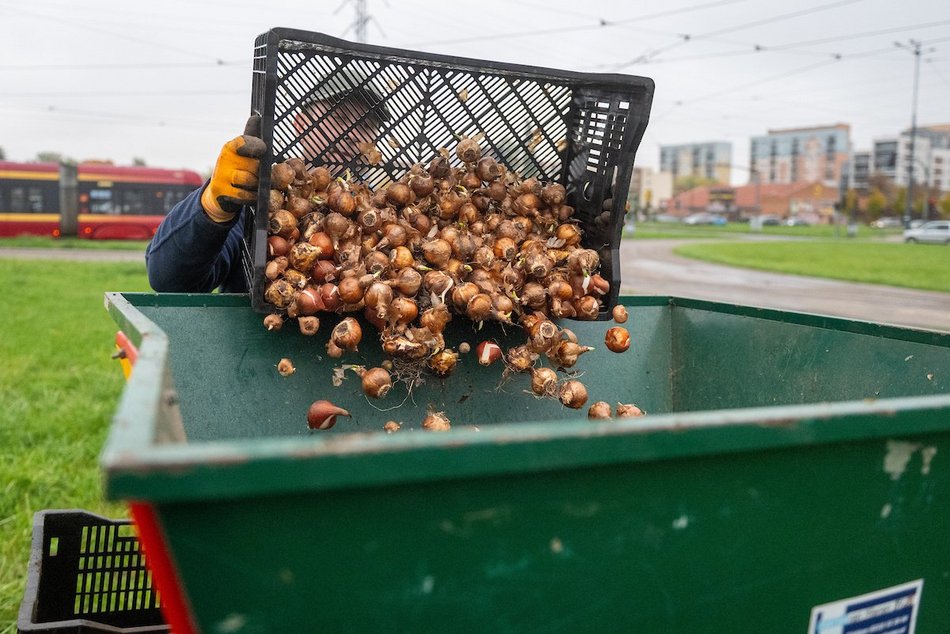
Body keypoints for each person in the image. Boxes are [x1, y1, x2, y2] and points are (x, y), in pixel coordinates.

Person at [146, 80, 387, 293]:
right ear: (301, 124)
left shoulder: (381, 216)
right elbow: (170, 281)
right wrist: (211, 210)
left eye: (366, 126)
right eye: (339, 118)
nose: (353, 134)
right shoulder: (256, 201)